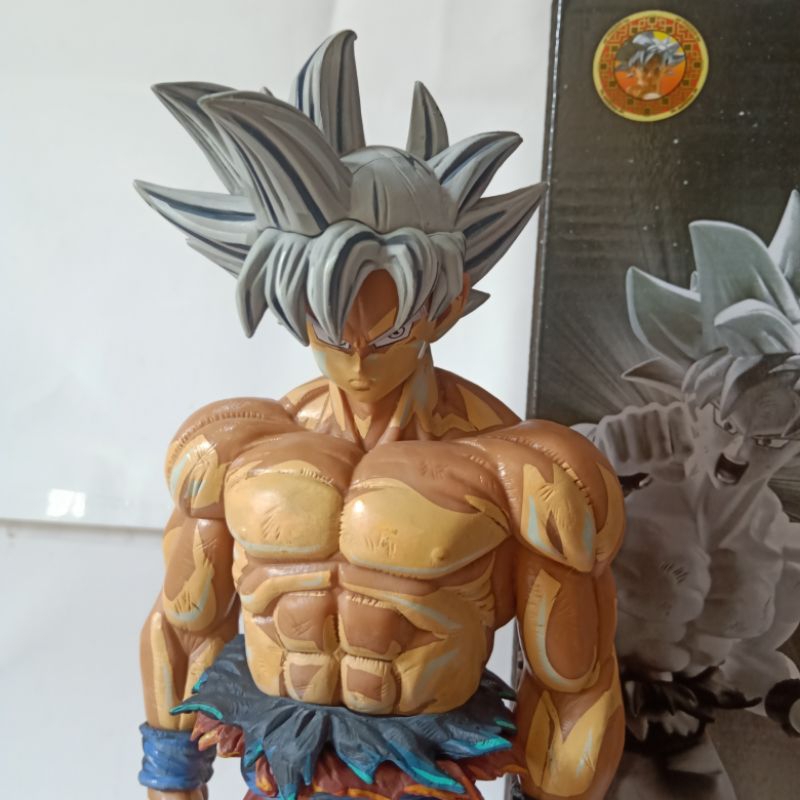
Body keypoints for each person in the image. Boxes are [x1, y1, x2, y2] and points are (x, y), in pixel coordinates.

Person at [135, 31, 626, 800]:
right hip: (280, 757)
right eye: (332, 331)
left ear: (445, 305)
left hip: (426, 762)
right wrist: (173, 780)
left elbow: (573, 679)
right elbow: (186, 623)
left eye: (388, 330)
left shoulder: (525, 471)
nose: (358, 358)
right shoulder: (231, 449)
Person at [577, 195, 800, 799]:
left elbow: (745, 662)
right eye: (727, 425)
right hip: (579, 724)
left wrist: (786, 699)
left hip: (680, 732)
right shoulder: (633, 469)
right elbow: (515, 500)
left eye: (771, 439)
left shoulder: (779, 544)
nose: (740, 454)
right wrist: (599, 460)